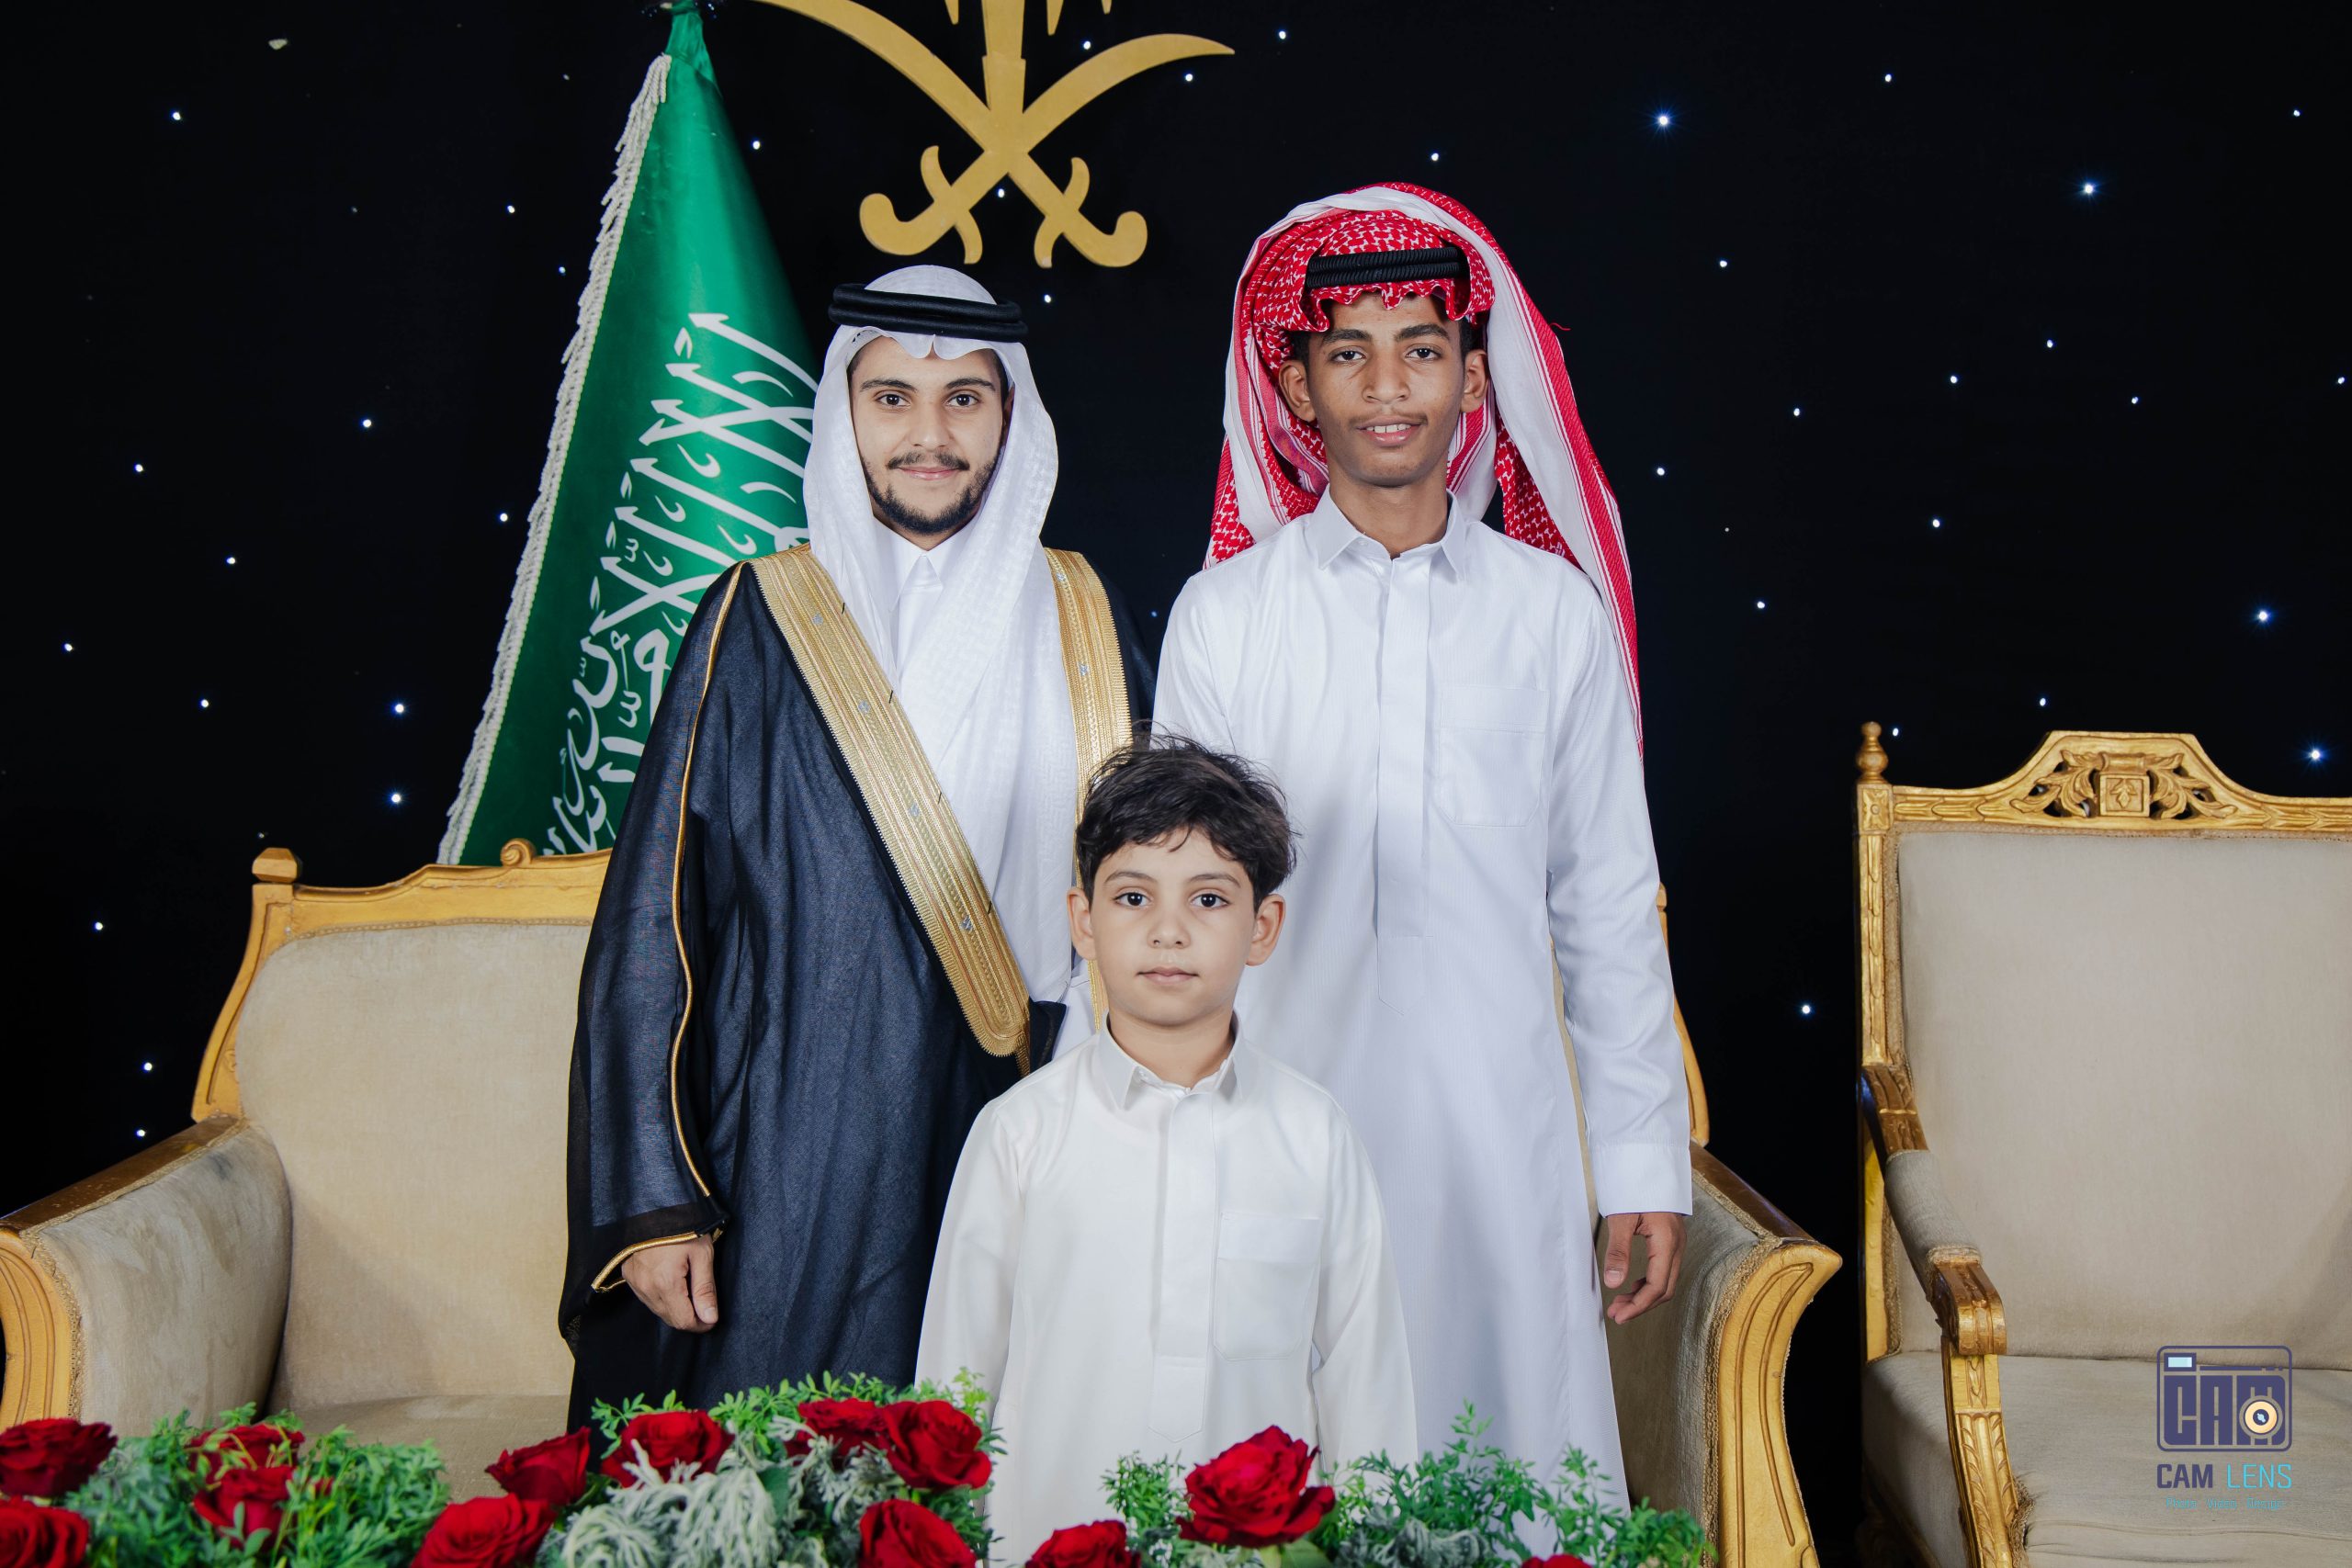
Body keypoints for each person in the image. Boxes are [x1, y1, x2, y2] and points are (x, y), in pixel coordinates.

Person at [1154, 185, 1689, 1499]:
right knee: (1280, 1482)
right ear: (1297, 386)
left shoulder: (1549, 615)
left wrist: (1638, 1159)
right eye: (1348, 352)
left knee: (1507, 1475)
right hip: (1277, 1126)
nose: (1388, 387)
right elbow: (1173, 907)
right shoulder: (1227, 615)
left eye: (1423, 348)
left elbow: (1606, 904)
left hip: (1498, 1139)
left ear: (1472, 375)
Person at [561, 266, 1152, 1424]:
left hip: (1029, 1116)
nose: (929, 435)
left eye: (964, 399)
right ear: (844, 413)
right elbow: (651, 922)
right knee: (788, 1465)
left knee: (1013, 1462)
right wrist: (656, 1198)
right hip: (792, 1139)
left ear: (1009, 416)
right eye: (891, 398)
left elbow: (1147, 891)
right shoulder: (755, 614)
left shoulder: (1083, 612)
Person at [916, 739, 1415, 1563]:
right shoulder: (1018, 1135)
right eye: (1133, 896)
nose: (1169, 931)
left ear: (1263, 927)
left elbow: (1369, 1388)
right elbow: (953, 1392)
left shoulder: (1316, 1137)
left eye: (1209, 898)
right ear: (1084, 920)